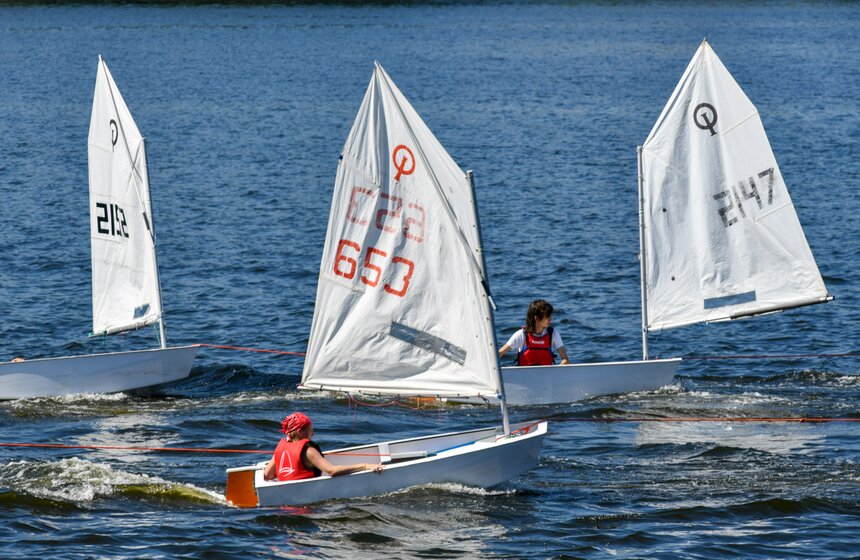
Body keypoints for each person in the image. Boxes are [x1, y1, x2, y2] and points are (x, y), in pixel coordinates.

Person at [263, 412, 383, 482]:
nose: (313, 434)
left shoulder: (280, 448)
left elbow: (268, 475)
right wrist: (365, 466)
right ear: (300, 432)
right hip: (305, 506)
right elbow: (332, 471)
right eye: (310, 431)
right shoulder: (309, 451)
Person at [498, 299, 570, 366]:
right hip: (524, 377)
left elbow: (565, 359)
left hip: (547, 377)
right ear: (537, 318)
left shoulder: (553, 334)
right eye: (547, 317)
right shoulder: (521, 335)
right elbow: (499, 354)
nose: (550, 320)